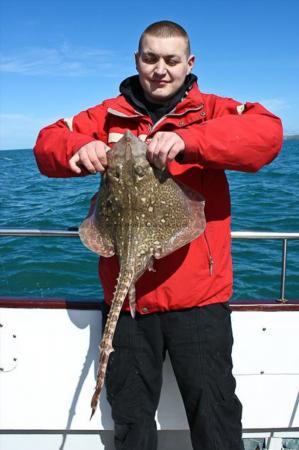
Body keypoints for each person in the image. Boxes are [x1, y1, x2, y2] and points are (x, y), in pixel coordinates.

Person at [34, 20, 283, 450]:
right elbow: (46, 142)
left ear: (189, 63)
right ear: (137, 61)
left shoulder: (210, 110)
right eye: (150, 59)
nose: (160, 69)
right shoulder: (108, 115)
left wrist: (190, 141)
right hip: (128, 302)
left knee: (215, 417)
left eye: (171, 60)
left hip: (200, 303)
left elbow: (267, 134)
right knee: (131, 421)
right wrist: (77, 147)